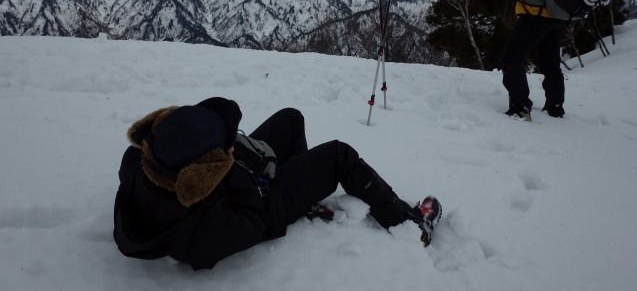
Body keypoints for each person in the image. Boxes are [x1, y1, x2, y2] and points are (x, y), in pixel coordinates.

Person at [113, 97, 442, 270]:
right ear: (205, 175)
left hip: (229, 188)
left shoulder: (149, 164)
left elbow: (138, 156)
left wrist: (227, 155)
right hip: (260, 207)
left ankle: (307, 193)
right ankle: (410, 225)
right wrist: (240, 175)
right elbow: (256, 221)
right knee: (339, 156)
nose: (231, 144)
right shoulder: (206, 232)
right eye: (225, 148)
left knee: (290, 118)